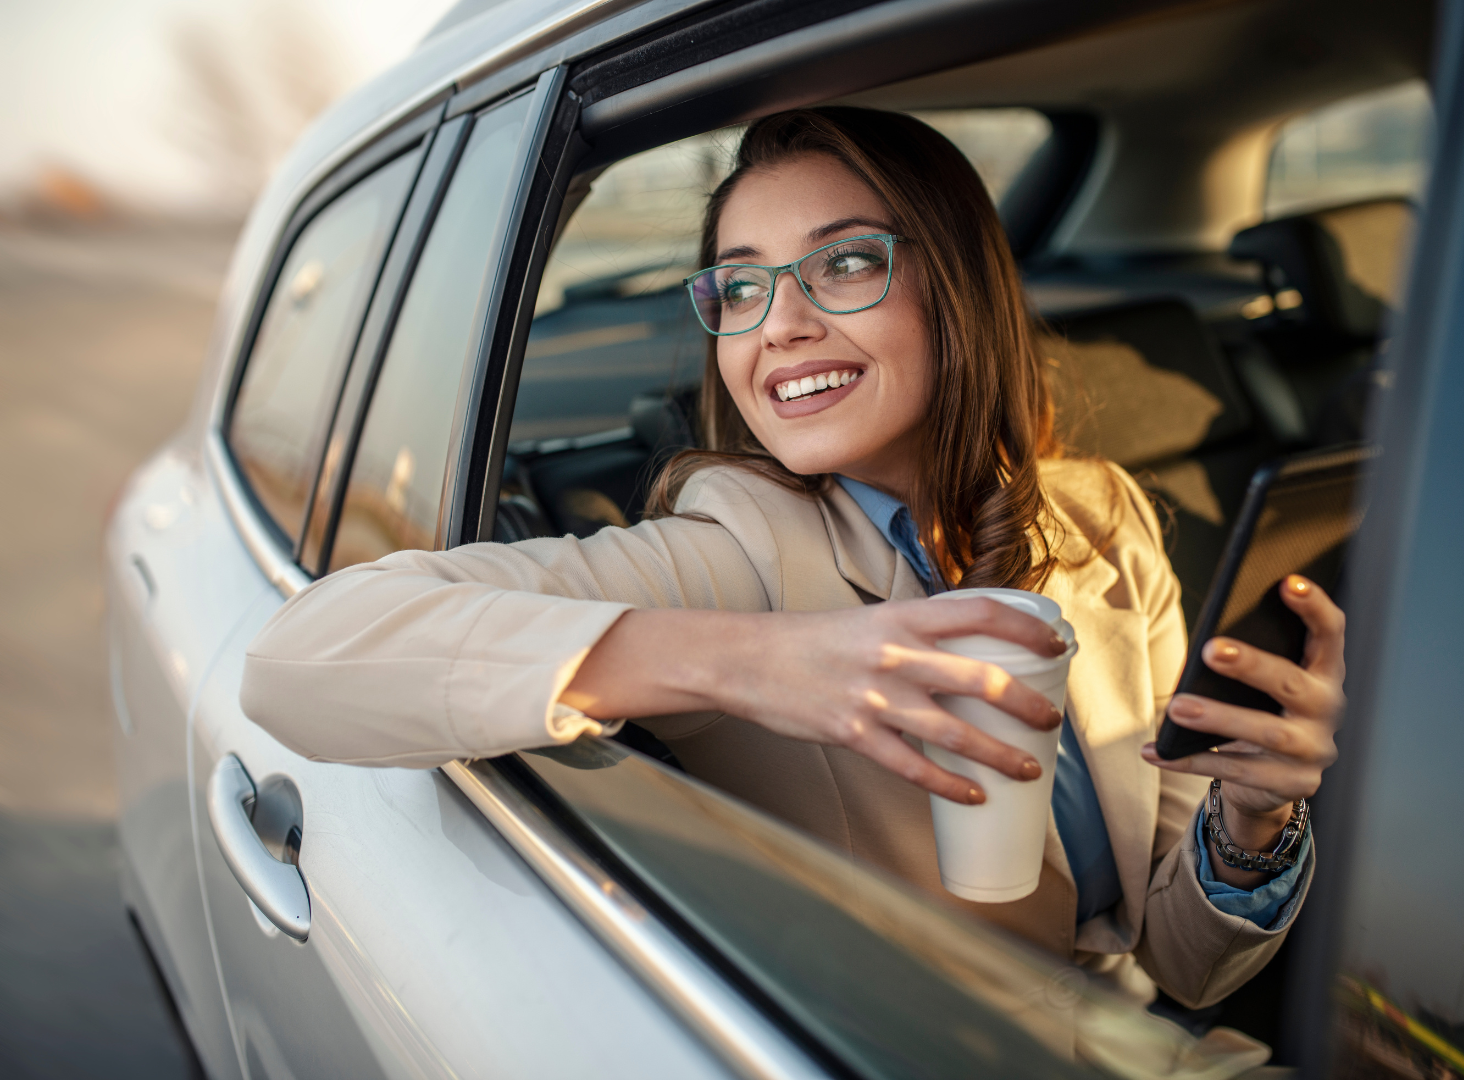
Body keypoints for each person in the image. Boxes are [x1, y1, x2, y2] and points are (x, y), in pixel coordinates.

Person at [241, 108, 1343, 1009]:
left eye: (847, 263)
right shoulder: (732, 550)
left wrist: (1253, 829)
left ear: (955, 290)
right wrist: (754, 664)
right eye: (742, 285)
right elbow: (299, 660)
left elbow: (1184, 965)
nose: (778, 325)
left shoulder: (1101, 517)